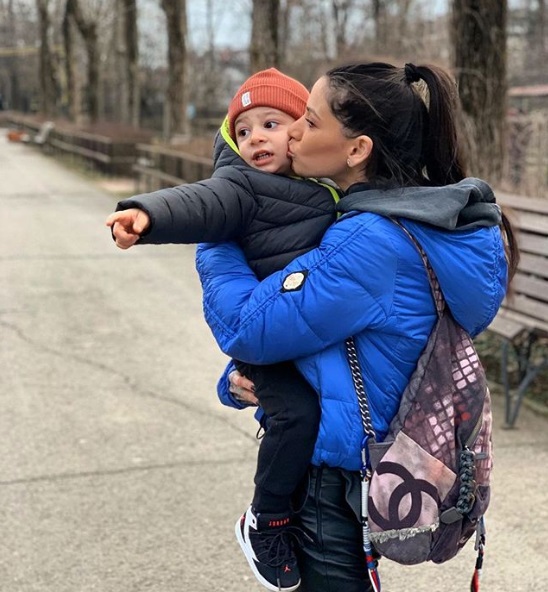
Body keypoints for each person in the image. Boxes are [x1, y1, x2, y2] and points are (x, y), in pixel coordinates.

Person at [196, 61, 520, 592]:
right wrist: (239, 383)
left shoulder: (368, 242)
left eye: (310, 121)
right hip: (379, 458)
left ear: (356, 150)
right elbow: (337, 339)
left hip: (336, 475)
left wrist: (217, 237)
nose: (293, 132)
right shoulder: (427, 220)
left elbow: (246, 328)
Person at [106, 69, 340, 592]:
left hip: (312, 330)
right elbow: (199, 203)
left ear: (304, 127)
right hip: (269, 342)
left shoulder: (328, 185)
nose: (256, 138)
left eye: (272, 124)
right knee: (297, 414)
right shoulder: (242, 187)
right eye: (245, 130)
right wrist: (146, 215)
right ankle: (266, 520)